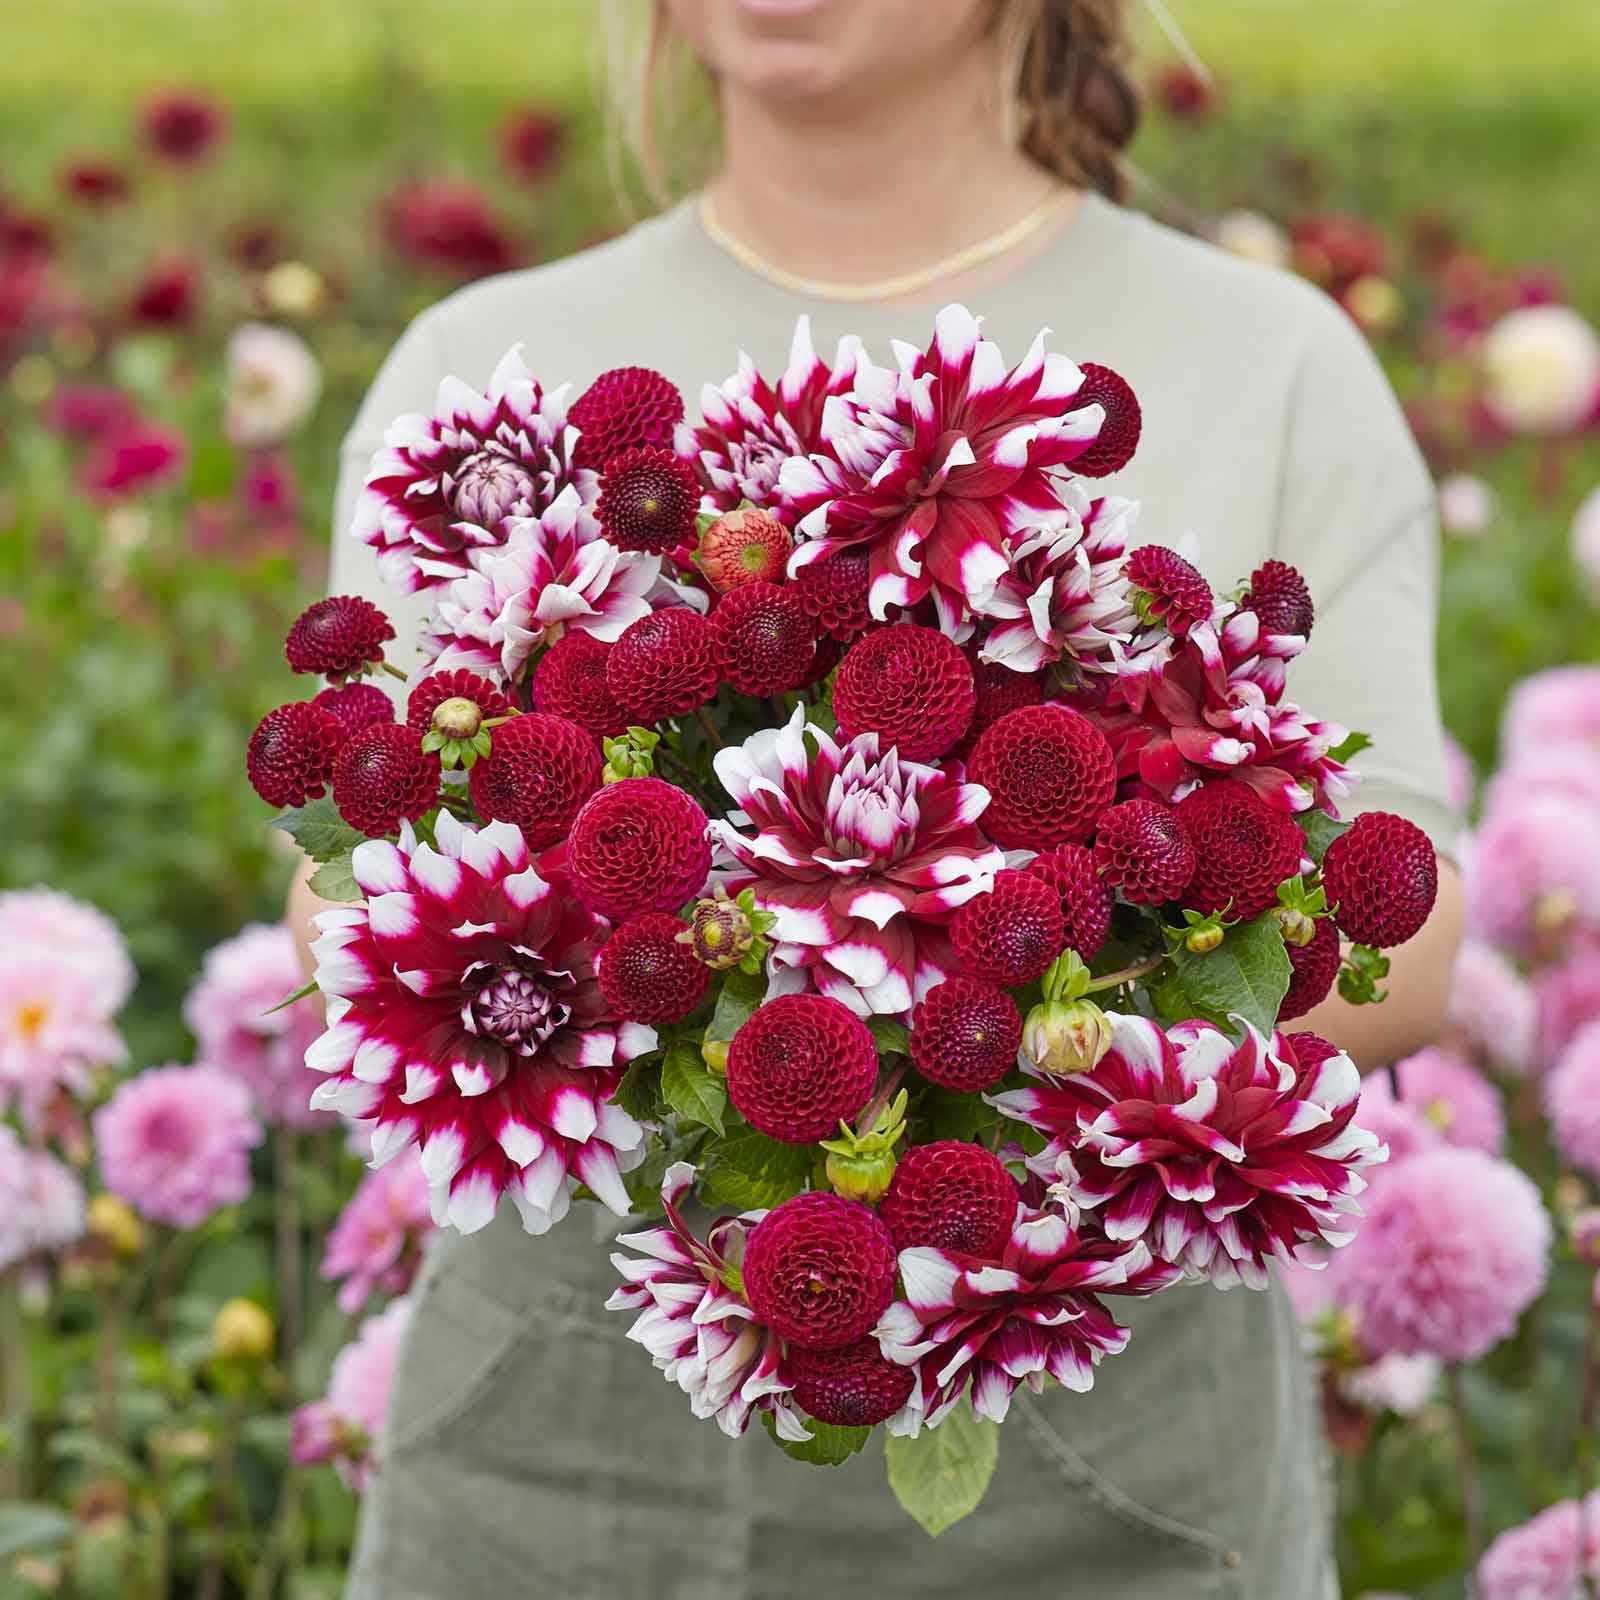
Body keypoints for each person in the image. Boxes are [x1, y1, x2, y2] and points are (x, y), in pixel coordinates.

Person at [295, 3, 1465, 1594]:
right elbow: (346, 904)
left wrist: (972, 1049)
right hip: (547, 1454)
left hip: (1112, 1457)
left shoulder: (1266, 359)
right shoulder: (481, 373)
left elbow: (1415, 926)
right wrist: (736, 1024)